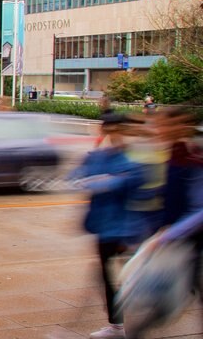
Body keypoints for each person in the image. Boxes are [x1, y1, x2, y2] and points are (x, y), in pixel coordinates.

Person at [69, 116, 148, 339]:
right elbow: (79, 174)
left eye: (118, 130)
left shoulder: (133, 157)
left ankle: (125, 322)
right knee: (107, 276)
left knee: (125, 276)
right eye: (109, 130)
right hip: (105, 227)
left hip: (128, 227)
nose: (114, 135)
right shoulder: (101, 155)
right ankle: (116, 326)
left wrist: (106, 181)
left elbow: (135, 185)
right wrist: (85, 178)